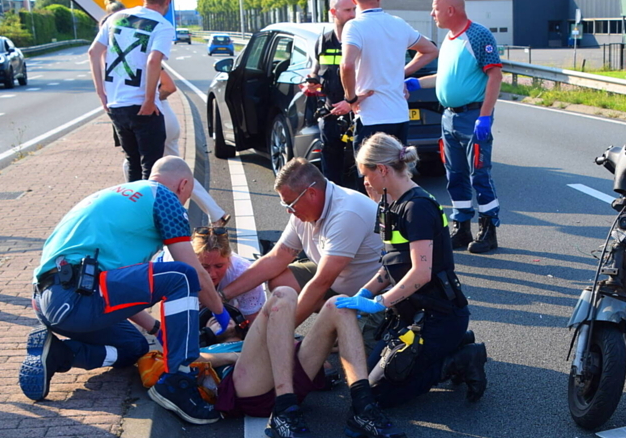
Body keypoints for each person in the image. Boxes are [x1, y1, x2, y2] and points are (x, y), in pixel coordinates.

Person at [19, 156, 232, 425]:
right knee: (181, 276)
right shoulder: (164, 198)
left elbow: (124, 291)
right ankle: (178, 379)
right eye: (187, 196)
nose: (184, 204)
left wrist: (157, 330)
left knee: (135, 347)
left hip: (52, 303)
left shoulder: (117, 198)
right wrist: (222, 314)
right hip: (77, 296)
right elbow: (195, 271)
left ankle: (60, 355)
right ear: (184, 185)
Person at [337, 132, 487, 408]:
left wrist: (380, 303)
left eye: (365, 174)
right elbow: (391, 263)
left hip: (437, 317)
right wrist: (366, 292)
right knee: (366, 384)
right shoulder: (392, 203)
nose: (364, 182)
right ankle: (452, 346)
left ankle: (459, 359)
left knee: (379, 394)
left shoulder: (417, 208)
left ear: (382, 170)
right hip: (411, 316)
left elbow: (421, 273)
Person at [202, 286, 406, 438]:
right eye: (211, 319)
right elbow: (189, 360)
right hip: (249, 389)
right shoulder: (207, 347)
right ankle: (283, 411)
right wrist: (231, 355)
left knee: (340, 303)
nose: (220, 318)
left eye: (224, 315)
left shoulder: (259, 339)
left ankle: (363, 407)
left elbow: (324, 367)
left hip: (289, 383)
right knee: (283, 293)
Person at [220, 158, 384, 352]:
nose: (289, 211)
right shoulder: (302, 211)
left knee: (358, 348)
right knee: (280, 281)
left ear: (311, 193)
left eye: (290, 203)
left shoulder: (347, 213)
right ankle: (333, 326)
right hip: (336, 278)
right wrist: (221, 296)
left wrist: (271, 335)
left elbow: (321, 282)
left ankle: (338, 326)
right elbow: (276, 258)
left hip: (368, 292)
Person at [406, 0, 503, 254]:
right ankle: (462, 227)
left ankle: (488, 229)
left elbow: (494, 76)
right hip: (448, 117)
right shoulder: (449, 39)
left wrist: (484, 117)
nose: (431, 13)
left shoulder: (478, 35)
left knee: (479, 174)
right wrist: (416, 82)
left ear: (450, 9)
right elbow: (446, 77)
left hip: (472, 116)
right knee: (455, 175)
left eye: (435, 7)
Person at [331, 0, 438, 157]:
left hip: (371, 117)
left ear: (354, 0)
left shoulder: (354, 26)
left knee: (369, 180)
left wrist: (351, 99)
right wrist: (401, 73)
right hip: (399, 116)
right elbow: (430, 50)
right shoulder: (398, 23)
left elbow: (346, 65)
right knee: (396, 177)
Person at [89, 0, 175, 182]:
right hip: (142, 106)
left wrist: (101, 92)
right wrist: (149, 99)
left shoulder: (116, 18)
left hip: (117, 104)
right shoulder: (162, 26)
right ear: (167, 1)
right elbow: (154, 61)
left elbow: (93, 52)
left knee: (133, 163)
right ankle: (147, 212)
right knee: (152, 169)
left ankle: (133, 210)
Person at [121, 68, 230, 226]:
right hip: (166, 118)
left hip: (155, 120)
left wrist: (148, 101)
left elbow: (170, 86)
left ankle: (142, 210)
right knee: (178, 172)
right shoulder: (142, 58)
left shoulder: (142, 59)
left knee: (131, 164)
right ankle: (216, 214)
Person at [308, 0, 357, 188]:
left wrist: (350, 102)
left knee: (360, 171)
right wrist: (311, 81)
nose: (353, 14)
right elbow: (315, 69)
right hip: (330, 114)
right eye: (347, 10)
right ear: (333, 12)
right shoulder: (323, 41)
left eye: (354, 9)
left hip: (356, 112)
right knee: (331, 174)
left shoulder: (359, 39)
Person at [191, 225, 265, 322]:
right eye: (204, 267)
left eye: (219, 266)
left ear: (229, 259)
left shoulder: (242, 271)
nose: (212, 274)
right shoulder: (178, 266)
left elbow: (253, 323)